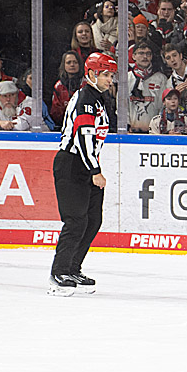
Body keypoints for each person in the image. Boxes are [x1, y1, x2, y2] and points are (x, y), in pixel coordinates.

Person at [49, 53, 118, 297]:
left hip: (86, 164)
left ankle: (73, 268)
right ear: (91, 74)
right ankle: (59, 272)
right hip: (72, 164)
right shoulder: (86, 98)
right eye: (105, 74)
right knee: (76, 220)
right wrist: (95, 170)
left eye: (111, 75)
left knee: (92, 219)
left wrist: (93, 168)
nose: (110, 79)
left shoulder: (97, 98)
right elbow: (84, 137)